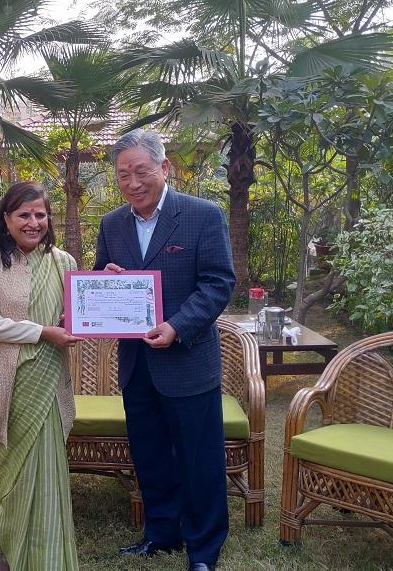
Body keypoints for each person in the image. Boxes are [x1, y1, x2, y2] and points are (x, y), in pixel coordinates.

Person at [94, 129, 235, 571]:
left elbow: (218, 283)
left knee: (199, 458)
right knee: (150, 454)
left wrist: (177, 326)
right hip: (137, 364)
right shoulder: (112, 223)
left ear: (164, 167)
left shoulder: (202, 215)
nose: (133, 183)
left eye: (141, 171)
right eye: (123, 176)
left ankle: (205, 549)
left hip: (188, 360)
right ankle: (160, 534)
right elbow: (101, 278)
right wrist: (106, 277)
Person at [0, 181, 83, 571]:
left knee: (48, 469)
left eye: (40, 214)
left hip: (49, 381)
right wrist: (43, 331)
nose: (33, 222)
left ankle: (50, 558)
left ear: (49, 218)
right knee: (13, 472)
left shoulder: (65, 263)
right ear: (6, 219)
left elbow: (76, 313)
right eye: (24, 215)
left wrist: (105, 285)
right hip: (8, 386)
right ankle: (13, 554)